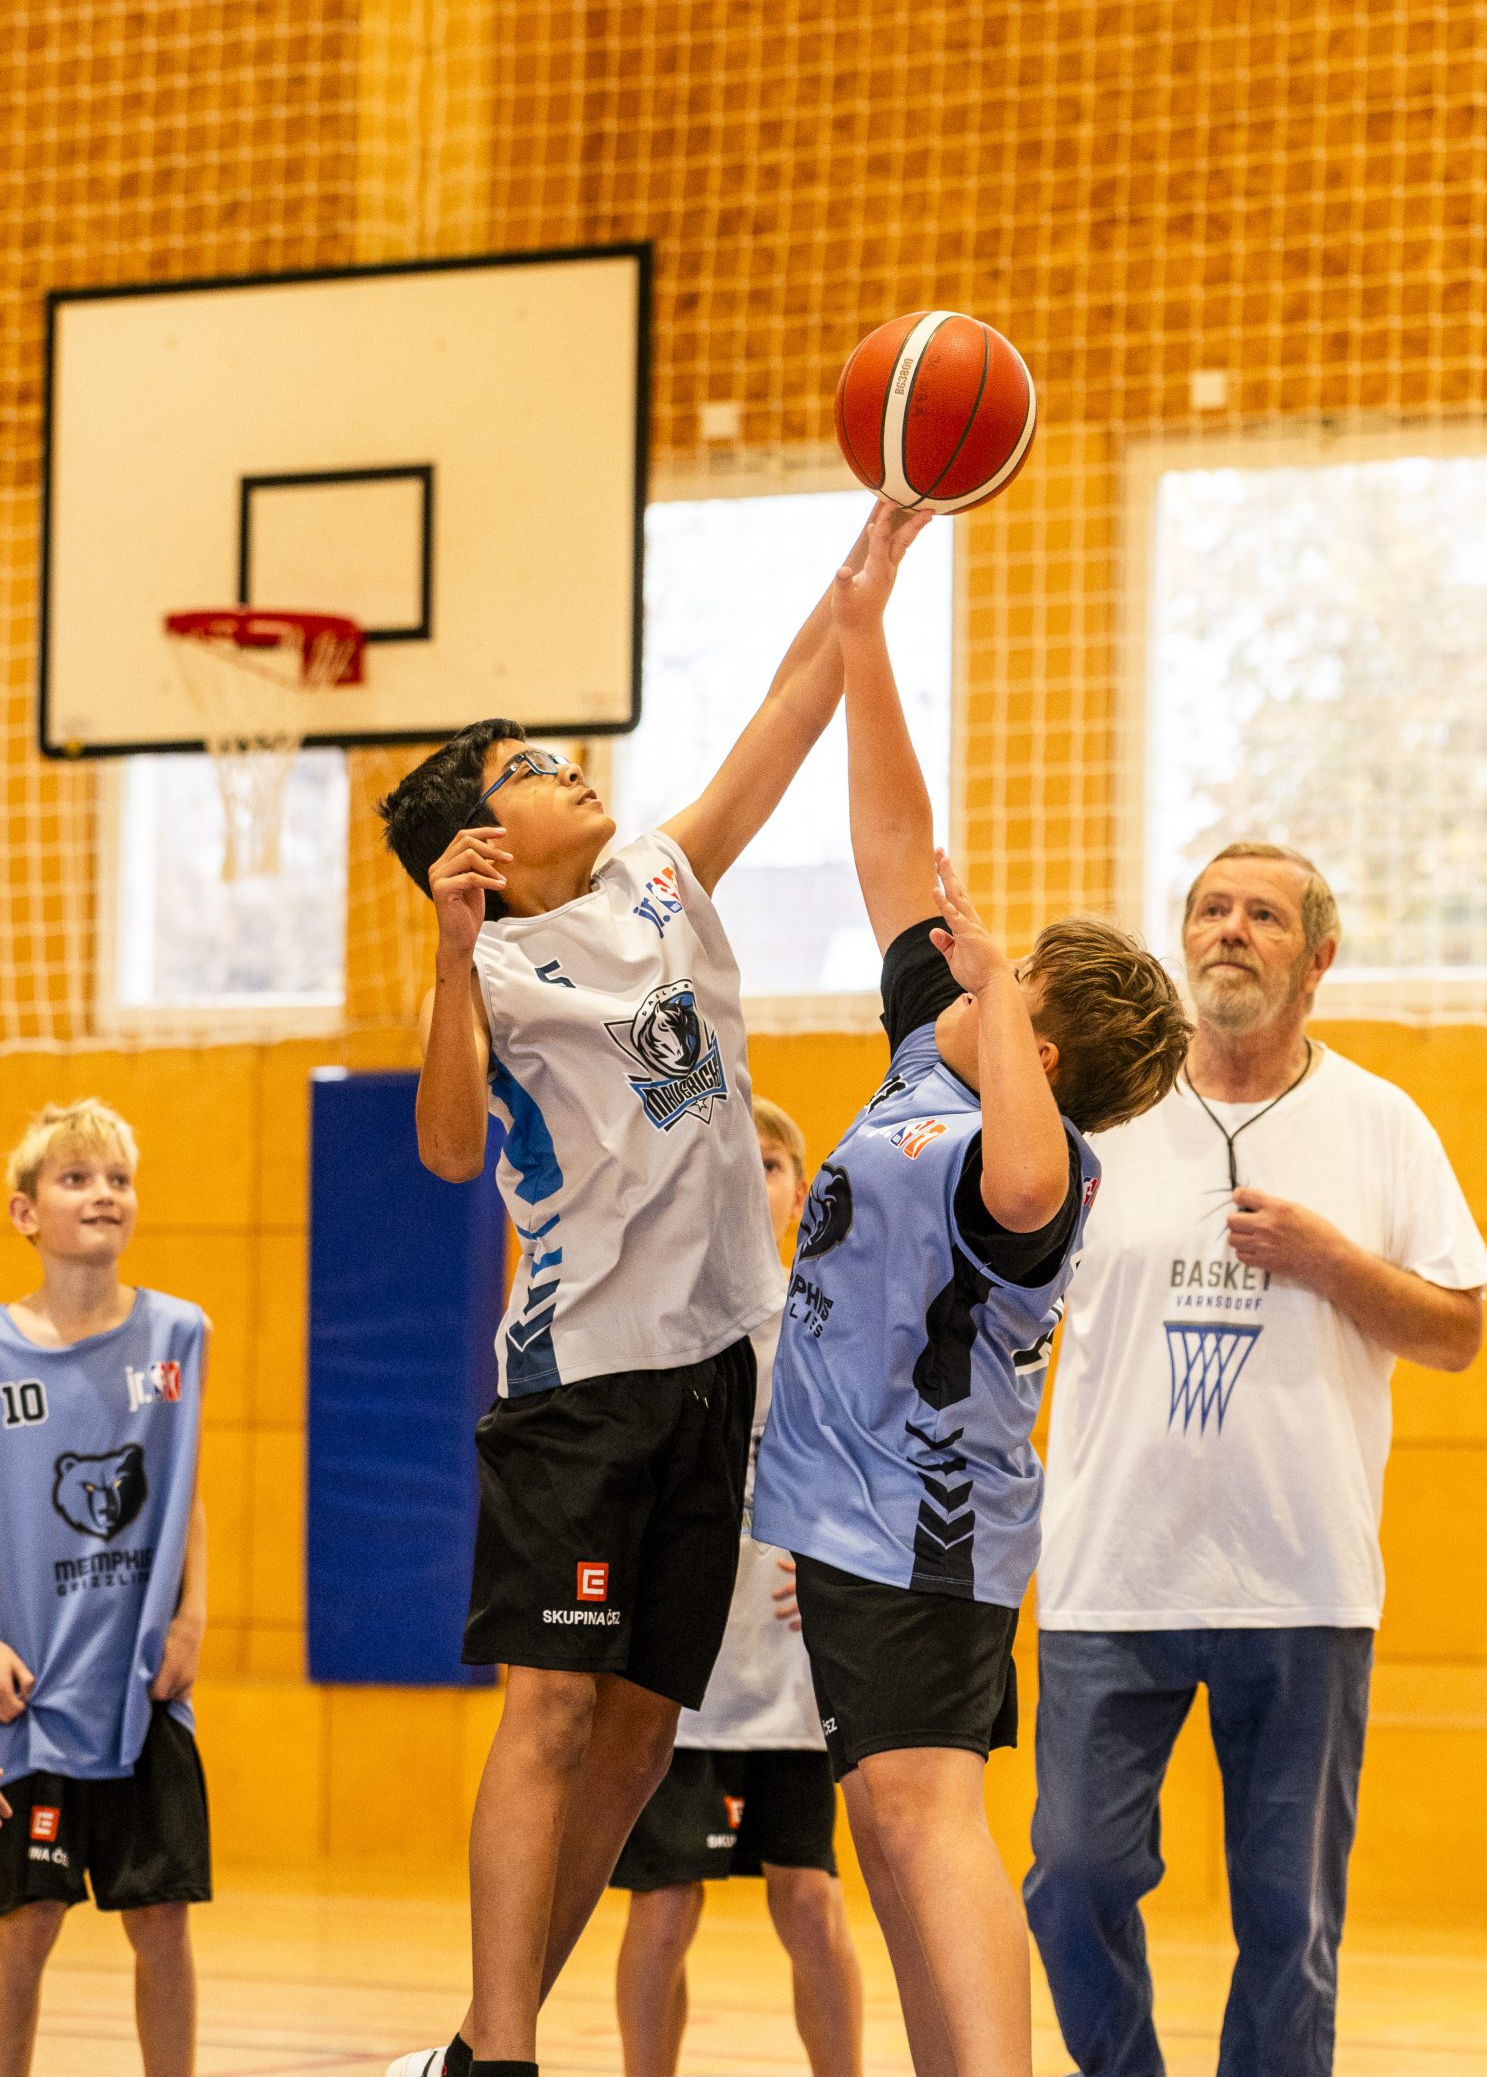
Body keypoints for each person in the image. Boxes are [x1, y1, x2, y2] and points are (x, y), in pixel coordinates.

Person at [378, 513, 880, 2077]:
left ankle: (481, 2039)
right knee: (549, 1711)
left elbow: (789, 707)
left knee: (645, 1728)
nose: (569, 768)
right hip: (584, 1380)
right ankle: (507, 2057)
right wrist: (447, 958)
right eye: (530, 767)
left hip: (716, 1367)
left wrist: (874, 552)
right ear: (478, 846)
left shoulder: (659, 875)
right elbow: (445, 1149)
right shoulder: (487, 971)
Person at [753, 503, 1193, 2077]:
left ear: (1038, 1044)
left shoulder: (1037, 1162)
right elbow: (893, 846)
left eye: (999, 985)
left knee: (925, 1813)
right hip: (847, 1511)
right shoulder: (921, 1070)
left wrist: (999, 993)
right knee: (887, 1824)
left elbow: (1014, 1189)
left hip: (925, 1520)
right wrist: (865, 636)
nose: (953, 972)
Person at [1025, 842, 1487, 2077]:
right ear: (1183, 937)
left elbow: (1455, 1331)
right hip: (1109, 1578)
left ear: (1317, 956)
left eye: (1264, 916)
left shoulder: (1381, 1123)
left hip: (1300, 1584)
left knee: (1288, 1926)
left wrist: (1330, 1261)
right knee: (1070, 1877)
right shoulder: (1099, 1115)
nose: (1229, 929)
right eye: (1210, 909)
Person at [610, 1096, 862, 2077]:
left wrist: (834, 1551)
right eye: (734, 1160)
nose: (752, 1178)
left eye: (770, 1162)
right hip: (682, 1668)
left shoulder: (831, 1323)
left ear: (800, 1194)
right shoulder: (662, 1321)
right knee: (666, 1902)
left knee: (809, 1897)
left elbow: (877, 1469)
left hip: (792, 1668)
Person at [0, 1099, 210, 2077]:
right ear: (25, 1212)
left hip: (139, 1688)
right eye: (76, 1178)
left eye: (119, 1179)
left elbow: (183, 1483)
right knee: (24, 1926)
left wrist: (192, 1615)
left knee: (162, 1920)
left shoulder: (178, 1333)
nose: (103, 1195)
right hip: (30, 1695)